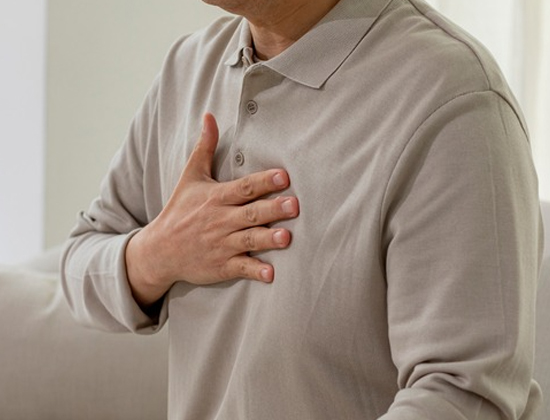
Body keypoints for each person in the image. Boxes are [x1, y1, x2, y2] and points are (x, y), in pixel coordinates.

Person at [61, 0, 544, 418]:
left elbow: (463, 396)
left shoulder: (453, 100)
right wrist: (158, 254)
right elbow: (80, 266)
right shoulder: (186, 70)